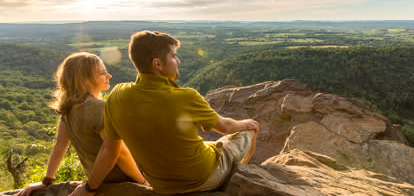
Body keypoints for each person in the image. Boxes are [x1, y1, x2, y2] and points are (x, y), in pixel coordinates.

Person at [70, 30, 259, 196]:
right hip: (204, 177)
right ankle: (242, 173)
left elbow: (109, 150)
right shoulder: (186, 97)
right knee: (246, 132)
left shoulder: (116, 96)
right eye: (174, 56)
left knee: (210, 144)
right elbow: (225, 127)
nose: (178, 61)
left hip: (161, 185)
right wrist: (247, 124)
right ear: (157, 64)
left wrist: (89, 188)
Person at [16, 52, 146, 196]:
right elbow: (119, 152)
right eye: (102, 73)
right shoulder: (102, 108)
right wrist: (142, 182)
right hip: (124, 182)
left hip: (100, 182)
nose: (109, 76)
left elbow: (60, 144)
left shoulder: (69, 110)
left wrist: (47, 180)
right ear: (85, 80)